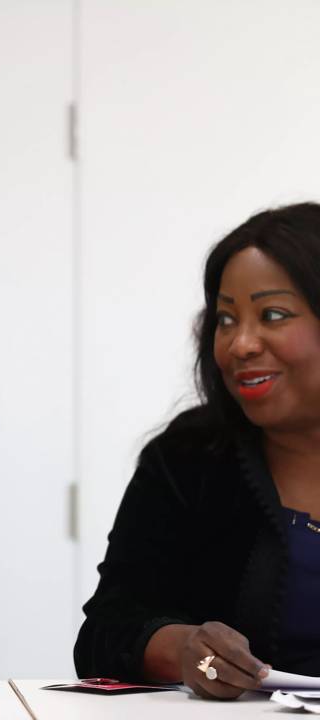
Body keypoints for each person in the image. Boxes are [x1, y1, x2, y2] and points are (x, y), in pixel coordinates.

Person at [74, 202, 320, 699]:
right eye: (226, 319)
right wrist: (185, 648)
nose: (240, 344)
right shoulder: (189, 458)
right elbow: (104, 632)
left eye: (272, 315)